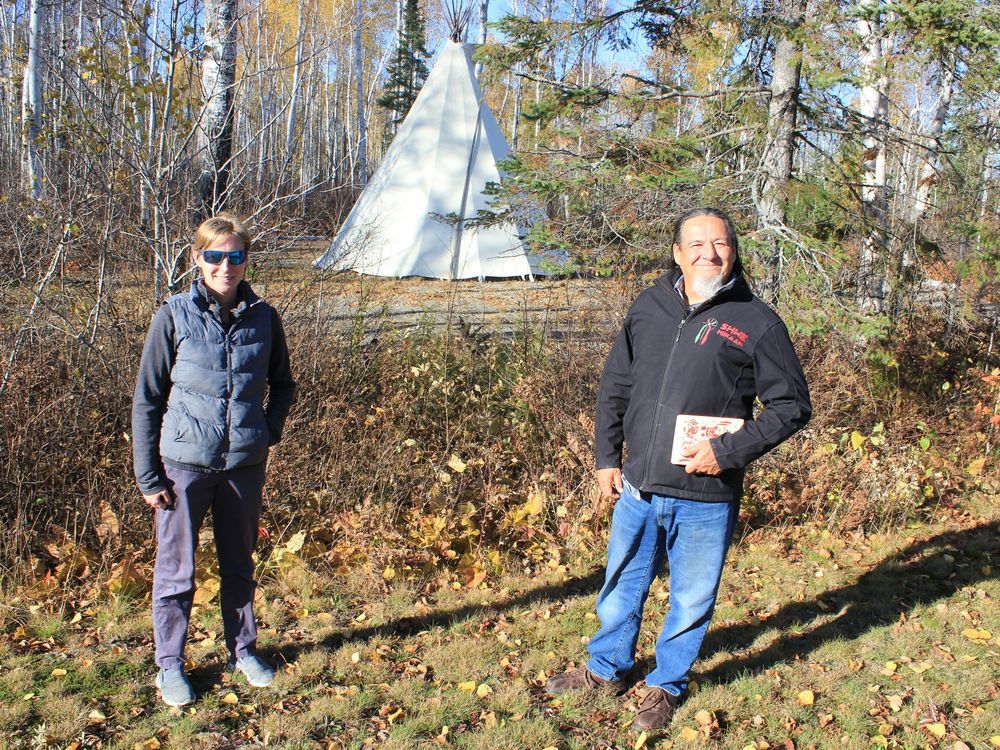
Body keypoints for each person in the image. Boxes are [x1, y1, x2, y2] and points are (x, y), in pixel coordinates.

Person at [546, 207, 811, 731]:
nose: (708, 254)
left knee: (691, 597)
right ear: (677, 253)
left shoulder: (756, 322)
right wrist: (606, 456)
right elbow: (615, 386)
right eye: (696, 245)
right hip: (639, 486)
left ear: (734, 251)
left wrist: (729, 452)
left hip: (706, 494)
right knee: (621, 584)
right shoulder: (650, 306)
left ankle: (665, 684)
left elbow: (791, 406)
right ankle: (607, 669)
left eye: (719, 244)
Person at [132, 215, 296, 707]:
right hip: (184, 466)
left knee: (239, 565)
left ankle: (243, 651)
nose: (226, 266)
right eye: (215, 256)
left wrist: (266, 432)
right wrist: (147, 474)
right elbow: (147, 399)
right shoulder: (175, 316)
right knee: (177, 571)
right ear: (198, 259)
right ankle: (169, 667)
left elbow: (283, 383)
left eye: (236, 256)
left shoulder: (264, 317)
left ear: (246, 260)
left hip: (243, 465)